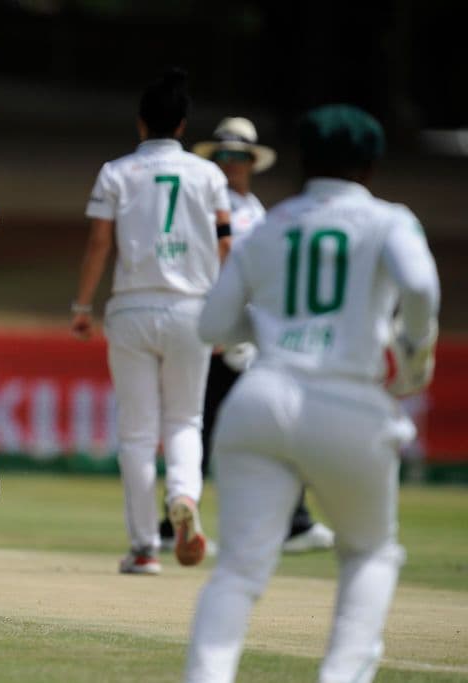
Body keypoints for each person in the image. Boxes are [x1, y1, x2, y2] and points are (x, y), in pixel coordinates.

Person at [184, 104, 440, 683]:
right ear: (371, 167)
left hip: (260, 400)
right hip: (349, 399)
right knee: (370, 553)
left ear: (303, 161)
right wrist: (414, 347)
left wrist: (274, 329)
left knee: (239, 573)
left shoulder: (268, 225)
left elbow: (213, 326)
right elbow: (421, 285)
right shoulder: (388, 219)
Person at [71, 68, 231, 575]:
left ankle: (144, 548)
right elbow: (227, 244)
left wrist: (81, 306)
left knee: (138, 434)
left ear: (142, 124)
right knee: (185, 419)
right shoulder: (210, 175)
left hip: (132, 309)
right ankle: (184, 495)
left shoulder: (116, 172)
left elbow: (100, 242)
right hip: (193, 309)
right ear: (183, 126)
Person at [164, 116, 334, 555]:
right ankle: (174, 524)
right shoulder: (204, 204)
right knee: (198, 426)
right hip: (214, 332)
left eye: (239, 156)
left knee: (232, 426)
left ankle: (287, 522)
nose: (230, 164)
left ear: (252, 162)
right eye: (223, 155)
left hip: (248, 335)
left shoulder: (256, 211)